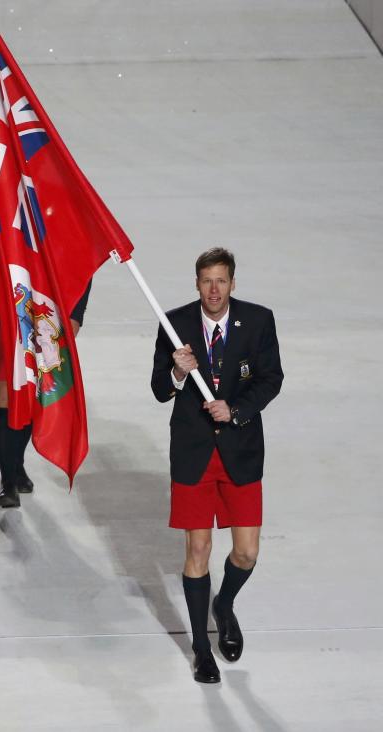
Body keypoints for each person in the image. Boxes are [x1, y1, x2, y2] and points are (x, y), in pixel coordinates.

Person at [150, 247, 283, 684]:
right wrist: (178, 373)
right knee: (199, 550)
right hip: (193, 454)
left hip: (241, 452)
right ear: (196, 283)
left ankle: (223, 604)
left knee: (246, 551)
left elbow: (271, 378)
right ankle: (202, 649)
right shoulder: (175, 324)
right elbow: (159, 390)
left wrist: (237, 410)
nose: (213, 289)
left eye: (221, 281)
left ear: (232, 283)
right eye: (206, 280)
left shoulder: (258, 321)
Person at [0, 188, 90, 508]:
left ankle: (16, 463)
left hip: (41, 318)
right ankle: (8, 481)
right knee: (4, 395)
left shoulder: (57, 199)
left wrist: (75, 314)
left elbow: (80, 256)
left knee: (28, 396)